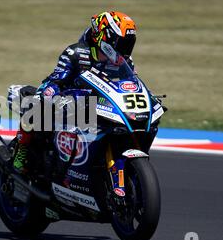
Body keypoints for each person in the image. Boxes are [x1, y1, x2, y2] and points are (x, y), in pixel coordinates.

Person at [13, 11, 138, 174]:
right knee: (37, 103)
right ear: (104, 37)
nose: (125, 49)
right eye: (121, 43)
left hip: (100, 105)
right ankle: (21, 153)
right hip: (68, 99)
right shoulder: (76, 52)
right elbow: (56, 80)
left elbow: (130, 84)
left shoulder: (124, 61)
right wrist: (51, 94)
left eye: (128, 43)